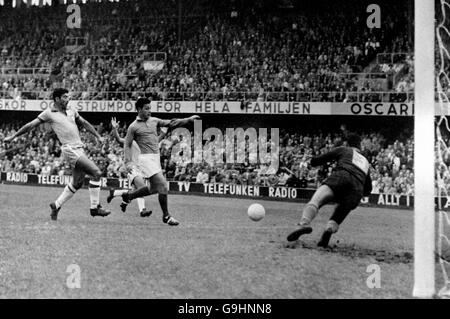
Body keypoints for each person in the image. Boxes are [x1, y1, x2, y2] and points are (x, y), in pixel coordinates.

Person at [2, 88, 111, 220]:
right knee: (97, 173)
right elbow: (31, 125)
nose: (68, 99)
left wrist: (98, 136)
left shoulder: (72, 110)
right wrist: (13, 136)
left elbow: (84, 123)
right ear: (57, 99)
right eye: (65, 97)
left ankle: (56, 205)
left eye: (68, 96)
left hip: (79, 149)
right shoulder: (49, 113)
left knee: (77, 183)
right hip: (69, 149)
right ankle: (95, 208)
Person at [118, 97, 199, 226]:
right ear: (139, 110)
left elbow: (171, 123)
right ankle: (166, 216)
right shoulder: (133, 127)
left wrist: (188, 119)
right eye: (146, 108)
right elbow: (127, 145)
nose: (149, 111)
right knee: (163, 185)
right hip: (145, 159)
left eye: (150, 108)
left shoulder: (154, 120)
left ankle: (129, 196)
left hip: (155, 158)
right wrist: (128, 162)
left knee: (153, 188)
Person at [286, 133, 372, 248]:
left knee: (316, 201)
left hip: (341, 177)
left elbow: (318, 161)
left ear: (347, 143)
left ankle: (304, 223)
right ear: (360, 146)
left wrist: (310, 160)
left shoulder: (344, 150)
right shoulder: (366, 162)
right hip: (357, 190)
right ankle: (329, 230)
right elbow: (368, 190)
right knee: (340, 212)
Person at [106, 117, 176, 217]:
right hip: (132, 168)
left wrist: (164, 132)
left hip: (142, 168)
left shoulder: (145, 142)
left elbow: (157, 140)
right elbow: (118, 139)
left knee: (138, 190)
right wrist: (115, 129)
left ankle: (117, 195)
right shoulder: (130, 141)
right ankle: (142, 210)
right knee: (142, 188)